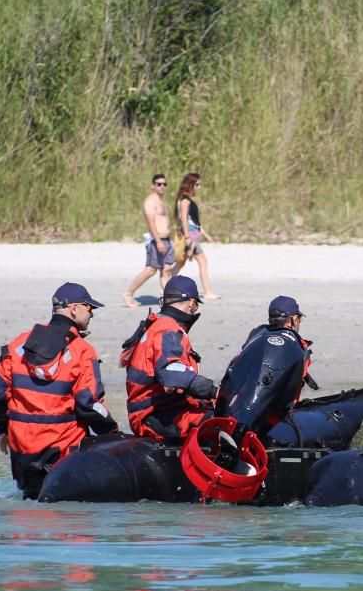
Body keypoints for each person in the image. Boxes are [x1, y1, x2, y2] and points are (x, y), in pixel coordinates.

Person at [0, 282, 119, 499]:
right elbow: (89, 405)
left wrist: (2, 428)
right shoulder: (82, 351)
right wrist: (112, 434)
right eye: (90, 308)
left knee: (28, 517)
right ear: (74, 309)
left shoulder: (18, 344)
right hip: (63, 455)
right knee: (69, 522)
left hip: (22, 453)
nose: (92, 314)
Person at [120, 275, 219, 442]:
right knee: (222, 423)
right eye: (194, 306)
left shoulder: (156, 323)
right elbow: (173, 372)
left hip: (157, 409)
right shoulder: (168, 330)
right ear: (191, 303)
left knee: (213, 407)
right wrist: (214, 390)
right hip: (153, 416)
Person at [216, 296, 316, 435]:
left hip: (232, 411)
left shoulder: (256, 337)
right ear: (294, 319)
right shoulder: (292, 345)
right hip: (267, 421)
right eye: (299, 319)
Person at [123, 173, 175, 308]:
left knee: (167, 270)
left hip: (167, 240)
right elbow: (151, 223)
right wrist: (158, 241)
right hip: (157, 241)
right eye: (159, 184)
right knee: (151, 270)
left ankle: (168, 299)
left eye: (164, 184)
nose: (162, 186)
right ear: (153, 186)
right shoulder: (150, 202)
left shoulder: (161, 201)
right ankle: (128, 293)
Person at [173, 173, 219, 300]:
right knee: (202, 261)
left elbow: (193, 220)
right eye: (197, 185)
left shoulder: (186, 199)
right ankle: (208, 291)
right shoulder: (185, 200)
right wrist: (187, 237)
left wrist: (205, 234)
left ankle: (166, 284)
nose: (199, 187)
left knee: (180, 262)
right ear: (190, 185)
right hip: (190, 235)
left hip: (194, 234)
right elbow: (183, 219)